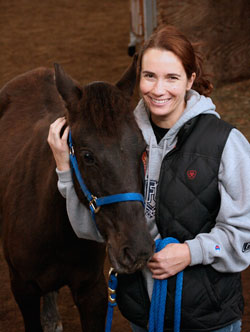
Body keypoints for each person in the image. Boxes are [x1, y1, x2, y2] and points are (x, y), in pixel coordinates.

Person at [48, 25, 250, 331]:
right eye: (149, 76)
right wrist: (65, 170)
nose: (158, 90)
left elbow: (244, 237)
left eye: (172, 77)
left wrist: (190, 253)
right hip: (142, 313)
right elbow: (94, 229)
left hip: (208, 317)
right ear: (137, 78)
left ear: (190, 79)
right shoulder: (118, 142)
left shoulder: (226, 143)